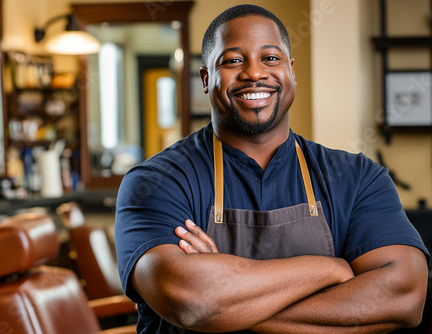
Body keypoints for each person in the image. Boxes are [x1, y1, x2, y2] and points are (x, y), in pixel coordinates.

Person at [115, 4, 430, 333]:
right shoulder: (156, 182)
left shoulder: (358, 178)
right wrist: (329, 270)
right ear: (206, 78)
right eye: (233, 60)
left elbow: (404, 296)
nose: (254, 73)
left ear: (291, 71)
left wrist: (226, 305)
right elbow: (192, 301)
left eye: (270, 58)